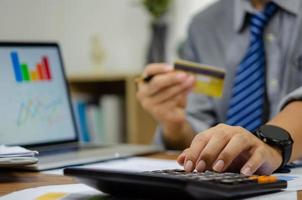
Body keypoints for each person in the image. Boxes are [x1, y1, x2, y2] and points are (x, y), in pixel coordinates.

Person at [136, 0, 302, 175]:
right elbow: (197, 130)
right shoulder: (203, 25)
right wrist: (175, 126)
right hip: (226, 184)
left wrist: (271, 144)